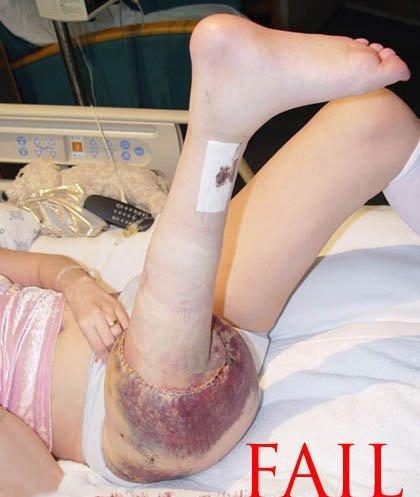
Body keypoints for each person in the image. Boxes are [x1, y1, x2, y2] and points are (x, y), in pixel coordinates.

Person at [0, 13, 419, 497]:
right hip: (131, 415)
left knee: (373, 121)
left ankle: (226, 116)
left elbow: (41, 266)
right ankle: (219, 129)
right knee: (160, 393)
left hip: (171, 323)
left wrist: (77, 286)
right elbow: (36, 479)